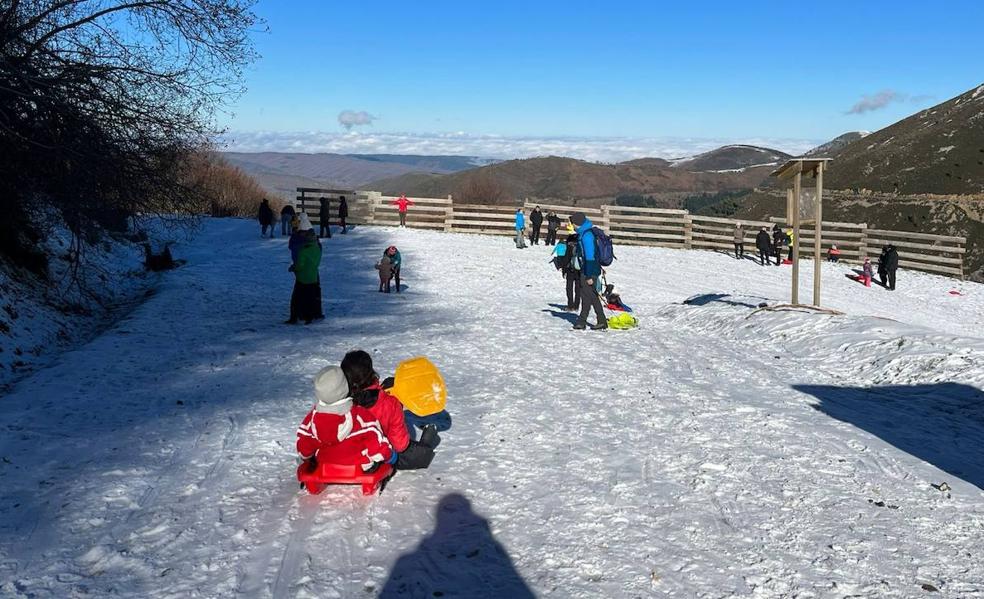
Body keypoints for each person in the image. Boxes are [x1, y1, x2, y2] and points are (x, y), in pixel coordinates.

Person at [341, 350, 440, 470]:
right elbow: (400, 445)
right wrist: (397, 407)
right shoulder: (390, 404)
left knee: (388, 383)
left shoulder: (337, 400)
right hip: (376, 455)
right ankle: (429, 434)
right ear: (371, 372)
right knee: (419, 455)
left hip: (344, 452)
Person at [296, 365, 395, 472]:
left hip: (325, 465)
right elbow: (376, 443)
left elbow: (303, 447)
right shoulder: (360, 416)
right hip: (360, 466)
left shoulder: (311, 420)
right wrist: (390, 456)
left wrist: (306, 458)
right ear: (345, 387)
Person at [570, 212, 607, 330]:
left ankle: (600, 320)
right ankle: (583, 321)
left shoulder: (587, 236)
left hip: (589, 270)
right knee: (586, 296)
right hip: (586, 269)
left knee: (591, 295)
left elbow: (590, 256)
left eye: (572, 223)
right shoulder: (583, 233)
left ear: (577, 224)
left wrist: (589, 275)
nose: (572, 226)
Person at [286, 214, 324, 324]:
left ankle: (299, 315)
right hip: (312, 270)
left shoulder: (300, 242)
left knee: (299, 295)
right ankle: (313, 314)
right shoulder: (313, 241)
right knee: (312, 293)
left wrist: (295, 267)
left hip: (302, 270)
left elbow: (294, 248)